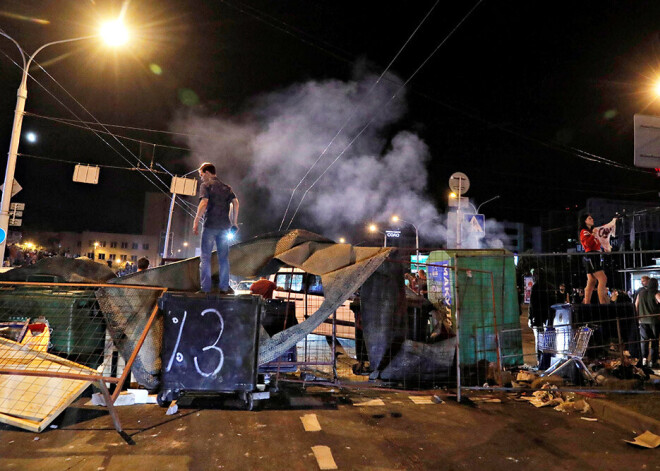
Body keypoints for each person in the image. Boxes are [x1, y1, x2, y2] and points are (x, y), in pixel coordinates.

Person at [194, 162, 239, 294]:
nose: (201, 177)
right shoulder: (226, 187)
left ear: (207, 172)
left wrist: (196, 220)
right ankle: (224, 288)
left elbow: (204, 203)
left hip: (209, 226)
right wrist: (234, 222)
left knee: (205, 258)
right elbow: (236, 203)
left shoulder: (206, 185)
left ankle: (205, 288)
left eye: (201, 174)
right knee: (224, 259)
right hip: (224, 228)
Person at [579, 214, 609, 304]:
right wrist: (593, 234)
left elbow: (596, 243)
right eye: (589, 218)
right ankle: (602, 303)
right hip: (591, 255)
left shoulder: (591, 231)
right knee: (602, 278)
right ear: (585, 221)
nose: (592, 219)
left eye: (592, 218)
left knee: (592, 281)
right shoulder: (584, 231)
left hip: (593, 255)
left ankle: (587, 303)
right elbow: (588, 244)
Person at [635, 277, 660, 368]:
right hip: (654, 321)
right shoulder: (656, 293)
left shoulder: (640, 294)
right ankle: (653, 361)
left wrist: (637, 317)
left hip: (642, 321)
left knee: (644, 341)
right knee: (654, 341)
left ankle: (644, 359)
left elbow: (636, 305)